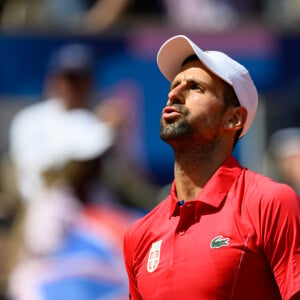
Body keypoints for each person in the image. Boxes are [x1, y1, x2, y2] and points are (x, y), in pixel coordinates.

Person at [123, 35, 300, 299]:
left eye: (195, 87)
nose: (174, 94)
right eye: (174, 85)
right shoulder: (139, 235)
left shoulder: (271, 203)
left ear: (233, 118)